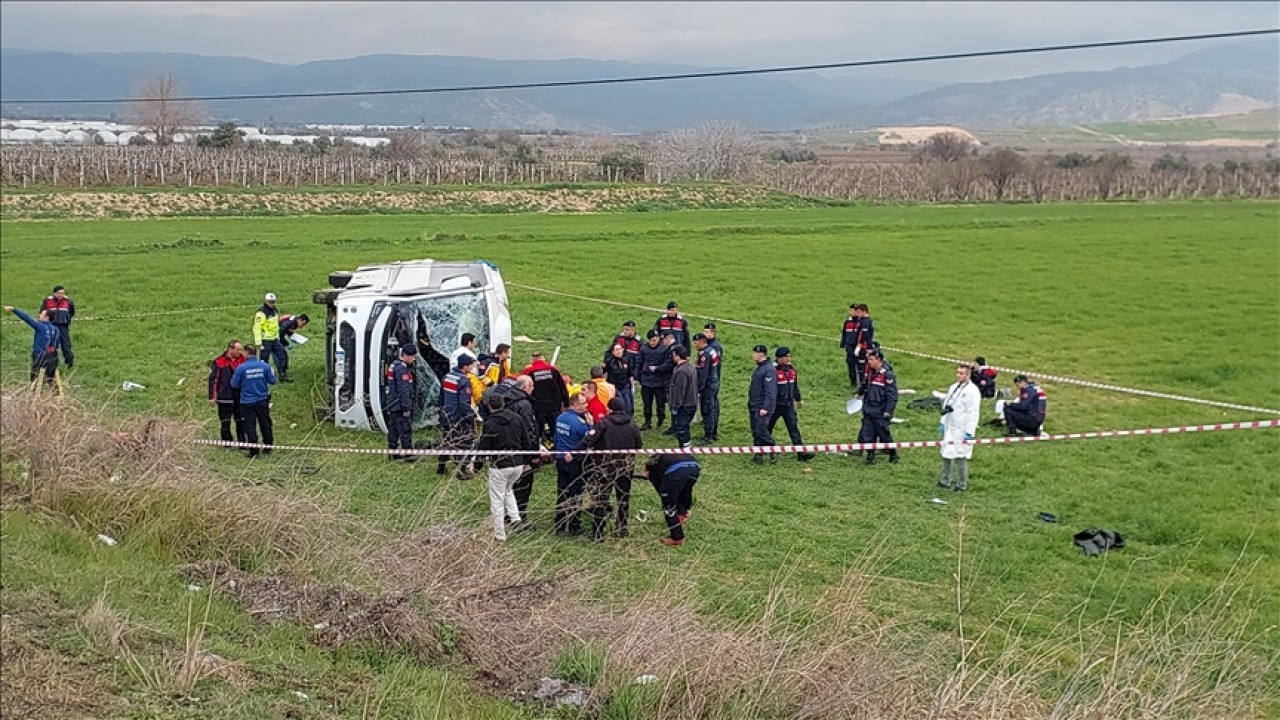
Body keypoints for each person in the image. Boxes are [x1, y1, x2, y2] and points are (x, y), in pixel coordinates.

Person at [573, 397, 643, 542]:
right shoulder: (632, 425)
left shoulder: (603, 424)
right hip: (625, 467)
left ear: (609, 409)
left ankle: (598, 532)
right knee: (623, 497)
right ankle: (622, 527)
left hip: (605, 468)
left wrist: (573, 453)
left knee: (601, 499)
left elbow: (588, 441)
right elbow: (638, 445)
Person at [477, 394, 534, 541]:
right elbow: (526, 441)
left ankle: (499, 534)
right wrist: (526, 460)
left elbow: (484, 447)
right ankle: (516, 519)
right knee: (508, 490)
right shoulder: (517, 418)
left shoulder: (490, 424)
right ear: (503, 404)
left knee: (496, 499)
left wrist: (477, 464)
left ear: (489, 406)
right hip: (518, 464)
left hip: (500, 466)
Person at [491, 374, 545, 522]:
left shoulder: (505, 398)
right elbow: (530, 431)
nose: (533, 389)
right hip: (521, 453)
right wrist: (533, 455)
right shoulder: (524, 405)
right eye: (532, 386)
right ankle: (519, 515)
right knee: (523, 486)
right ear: (525, 387)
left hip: (504, 449)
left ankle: (506, 514)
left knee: (507, 487)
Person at [553, 393, 593, 536]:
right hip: (575, 462)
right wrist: (590, 425)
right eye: (584, 403)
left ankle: (560, 524)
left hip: (560, 458)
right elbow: (588, 439)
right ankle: (574, 525)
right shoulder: (579, 423)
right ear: (575, 405)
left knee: (562, 491)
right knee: (576, 493)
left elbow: (556, 437)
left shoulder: (560, 417)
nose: (586, 406)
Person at [939, 364, 982, 491]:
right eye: (957, 372)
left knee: (961, 455)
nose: (958, 375)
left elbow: (973, 412)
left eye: (961, 373)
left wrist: (969, 431)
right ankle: (945, 480)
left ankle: (961, 484)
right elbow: (947, 405)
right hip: (950, 426)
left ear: (968, 375)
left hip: (962, 428)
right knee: (946, 453)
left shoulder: (972, 391)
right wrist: (942, 422)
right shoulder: (953, 387)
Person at [644, 452, 700, 547]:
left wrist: (664, 494)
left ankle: (677, 537)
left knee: (668, 504)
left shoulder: (651, 465)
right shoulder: (666, 456)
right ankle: (683, 512)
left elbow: (657, 484)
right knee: (685, 489)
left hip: (677, 471)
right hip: (695, 467)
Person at [230, 345, 276, 458]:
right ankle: (268, 446)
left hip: (247, 401)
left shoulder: (241, 368)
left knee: (250, 426)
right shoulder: (265, 366)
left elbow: (234, 384)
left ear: (246, 353)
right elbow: (273, 381)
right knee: (265, 423)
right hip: (262, 400)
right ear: (255, 353)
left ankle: (254, 451)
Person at [770, 347, 815, 461]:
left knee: (793, 428)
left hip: (788, 405)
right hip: (775, 405)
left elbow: (794, 386)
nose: (789, 359)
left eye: (789, 356)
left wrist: (798, 399)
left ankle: (801, 453)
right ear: (779, 358)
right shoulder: (772, 370)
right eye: (786, 356)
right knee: (767, 428)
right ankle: (766, 451)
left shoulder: (791, 370)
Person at [438, 354, 478, 478]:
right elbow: (464, 404)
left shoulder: (447, 376)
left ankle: (441, 466)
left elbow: (441, 397)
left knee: (446, 440)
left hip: (446, 415)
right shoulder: (464, 381)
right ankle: (461, 471)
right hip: (457, 417)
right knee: (462, 443)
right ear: (464, 366)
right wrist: (471, 416)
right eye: (471, 365)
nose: (472, 367)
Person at [858, 350, 899, 465]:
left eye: (871, 360)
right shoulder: (870, 373)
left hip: (880, 410)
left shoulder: (887, 375)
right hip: (869, 408)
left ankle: (893, 453)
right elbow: (865, 385)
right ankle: (870, 455)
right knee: (868, 433)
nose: (869, 362)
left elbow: (892, 395)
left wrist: (888, 411)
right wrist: (859, 392)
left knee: (883, 434)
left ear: (879, 360)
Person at [6, 305, 60, 389]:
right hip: (52, 357)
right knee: (51, 377)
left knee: (35, 377)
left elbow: (27, 318)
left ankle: (34, 394)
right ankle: (54, 395)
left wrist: (14, 310)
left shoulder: (40, 326)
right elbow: (56, 344)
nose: (39, 315)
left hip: (39, 356)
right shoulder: (56, 329)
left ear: (47, 318)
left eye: (42, 314)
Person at [523, 351, 570, 443]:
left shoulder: (529, 372)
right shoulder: (553, 370)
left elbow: (524, 389)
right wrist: (566, 403)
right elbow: (562, 387)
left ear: (532, 360)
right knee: (555, 429)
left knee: (538, 431)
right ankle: (556, 447)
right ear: (543, 359)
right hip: (554, 406)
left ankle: (539, 448)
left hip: (538, 407)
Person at [207, 339, 246, 445]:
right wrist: (212, 396)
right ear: (230, 349)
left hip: (239, 397)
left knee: (241, 421)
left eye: (241, 350)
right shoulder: (219, 361)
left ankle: (242, 442)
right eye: (238, 350)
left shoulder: (243, 360)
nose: (240, 352)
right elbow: (214, 380)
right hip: (224, 396)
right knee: (225, 421)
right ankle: (227, 442)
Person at [384, 344, 418, 462]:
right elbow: (404, 391)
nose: (414, 359)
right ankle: (408, 455)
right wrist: (406, 407)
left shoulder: (394, 365)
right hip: (400, 405)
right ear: (406, 356)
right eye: (412, 356)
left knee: (393, 429)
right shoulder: (402, 369)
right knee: (405, 429)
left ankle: (393, 452)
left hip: (393, 404)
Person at [637, 329, 674, 431]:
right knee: (647, 404)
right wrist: (638, 377)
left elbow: (667, 363)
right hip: (646, 381)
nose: (653, 342)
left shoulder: (664, 349)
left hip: (659, 382)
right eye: (652, 340)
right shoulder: (644, 348)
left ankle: (660, 419)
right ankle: (647, 421)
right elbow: (639, 363)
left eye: (655, 339)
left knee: (660, 403)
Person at [748, 344, 778, 464]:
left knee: (761, 430)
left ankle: (773, 450)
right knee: (756, 430)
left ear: (760, 354)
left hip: (761, 406)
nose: (753, 355)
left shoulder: (768, 369)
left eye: (754, 353)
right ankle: (758, 454)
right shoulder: (760, 368)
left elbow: (770, 391)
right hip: (754, 405)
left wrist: (765, 407)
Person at [693, 333, 722, 443]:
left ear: (701, 342)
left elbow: (703, 373)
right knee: (712, 409)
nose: (694, 345)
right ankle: (713, 433)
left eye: (696, 343)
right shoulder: (710, 350)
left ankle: (708, 436)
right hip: (713, 383)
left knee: (707, 411)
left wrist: (699, 388)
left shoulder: (705, 355)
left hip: (708, 386)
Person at [667, 345, 698, 449]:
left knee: (681, 429)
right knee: (684, 427)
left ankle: (686, 449)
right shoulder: (690, 367)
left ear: (677, 356)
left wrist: (675, 406)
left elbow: (680, 390)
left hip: (684, 405)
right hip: (692, 403)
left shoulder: (681, 371)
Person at [253, 293, 287, 381]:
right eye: (270, 302)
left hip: (274, 339)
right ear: (266, 301)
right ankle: (265, 377)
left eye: (273, 302)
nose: (272, 304)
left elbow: (276, 325)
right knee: (264, 360)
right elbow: (257, 328)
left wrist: (278, 337)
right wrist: (258, 343)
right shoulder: (261, 313)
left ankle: (282, 374)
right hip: (265, 340)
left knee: (283, 355)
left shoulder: (275, 310)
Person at [40, 285, 76, 369]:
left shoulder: (68, 301)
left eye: (62, 293)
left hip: (63, 326)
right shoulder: (47, 301)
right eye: (59, 293)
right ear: (54, 293)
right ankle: (52, 363)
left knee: (66, 346)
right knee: (51, 346)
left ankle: (69, 363)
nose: (61, 295)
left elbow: (72, 313)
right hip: (51, 326)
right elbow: (42, 312)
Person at [274, 312, 310, 383]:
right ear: (301, 320)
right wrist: (286, 344)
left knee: (281, 356)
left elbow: (288, 331)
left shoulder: (294, 323)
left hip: (274, 337)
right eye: (303, 324)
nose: (302, 326)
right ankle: (281, 375)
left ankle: (281, 374)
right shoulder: (290, 322)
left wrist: (294, 338)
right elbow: (280, 332)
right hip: (272, 337)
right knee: (281, 356)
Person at [604, 343, 635, 414]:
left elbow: (630, 374)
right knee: (618, 407)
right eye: (616, 350)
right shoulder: (609, 361)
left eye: (620, 349)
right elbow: (602, 372)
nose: (619, 351)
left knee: (628, 407)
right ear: (613, 352)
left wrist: (632, 386)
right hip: (615, 388)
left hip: (625, 386)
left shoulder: (626, 360)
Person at [854, 304, 876, 396]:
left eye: (858, 312)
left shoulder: (866, 322)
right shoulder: (862, 321)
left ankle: (864, 387)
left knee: (863, 368)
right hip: (863, 347)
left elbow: (864, 335)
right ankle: (863, 387)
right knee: (860, 367)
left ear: (864, 311)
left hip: (864, 348)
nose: (857, 314)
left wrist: (859, 346)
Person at [839, 304, 860, 393]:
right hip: (849, 347)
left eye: (852, 311)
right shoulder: (848, 322)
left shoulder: (861, 322)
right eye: (849, 311)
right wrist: (842, 344)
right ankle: (853, 382)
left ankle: (862, 384)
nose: (850, 312)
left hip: (858, 348)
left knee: (860, 366)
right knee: (850, 365)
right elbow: (844, 333)